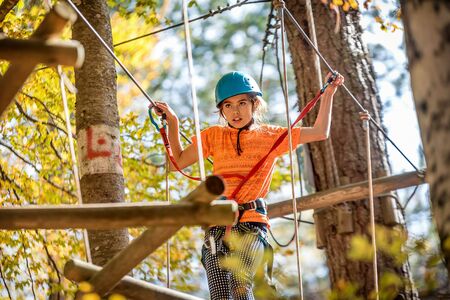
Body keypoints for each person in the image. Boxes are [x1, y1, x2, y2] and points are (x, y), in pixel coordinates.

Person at [154, 71, 344, 300]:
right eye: (228, 105)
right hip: (218, 223)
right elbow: (178, 163)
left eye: (242, 103)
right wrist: (172, 122)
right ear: (222, 110)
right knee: (220, 294)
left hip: (251, 224)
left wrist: (329, 94)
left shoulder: (270, 136)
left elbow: (319, 132)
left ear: (254, 104)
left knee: (240, 282)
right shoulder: (214, 136)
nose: (235, 111)